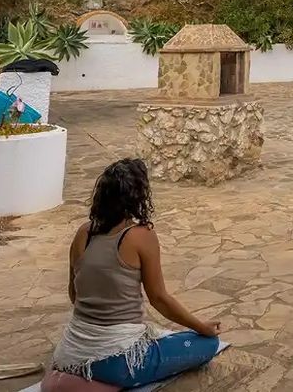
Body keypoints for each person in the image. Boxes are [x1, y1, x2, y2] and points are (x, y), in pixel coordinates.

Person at [47, 158, 224, 388]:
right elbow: (159, 298)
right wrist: (202, 327)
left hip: (71, 353)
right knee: (207, 344)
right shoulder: (141, 236)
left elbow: (74, 294)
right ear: (138, 197)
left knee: (159, 336)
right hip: (117, 359)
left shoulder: (84, 233)